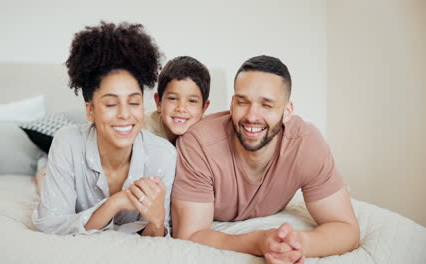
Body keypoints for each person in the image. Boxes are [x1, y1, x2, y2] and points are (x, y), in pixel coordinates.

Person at [171, 55, 359, 263]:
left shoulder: (306, 145)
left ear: (287, 112)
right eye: (243, 102)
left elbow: (347, 229)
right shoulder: (198, 144)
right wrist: (259, 242)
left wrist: (295, 244)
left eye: (266, 105)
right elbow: (190, 235)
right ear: (232, 105)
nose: (252, 116)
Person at [32, 21, 176, 237]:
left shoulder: (163, 156)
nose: (125, 114)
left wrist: (155, 221)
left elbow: (155, 236)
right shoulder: (66, 143)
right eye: (110, 104)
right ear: (90, 110)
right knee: (42, 178)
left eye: (134, 103)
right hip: (66, 152)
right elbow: (50, 224)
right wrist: (115, 202)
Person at [144, 56, 210, 144]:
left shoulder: (211, 131)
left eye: (192, 101)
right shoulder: (142, 130)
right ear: (159, 102)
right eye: (173, 98)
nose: (181, 108)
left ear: (204, 108)